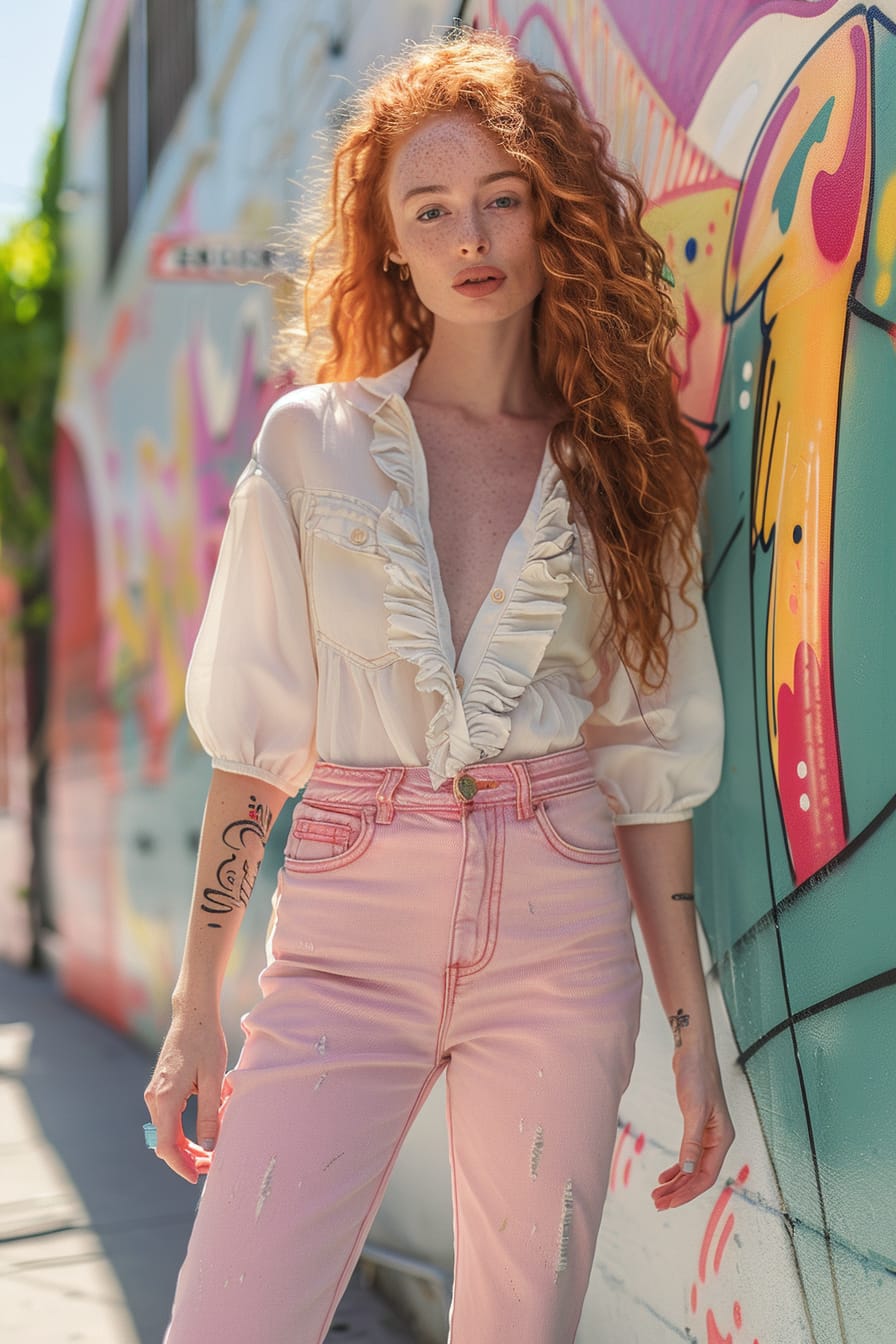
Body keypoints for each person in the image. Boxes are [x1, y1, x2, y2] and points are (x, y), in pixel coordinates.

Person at [144, 28, 733, 1344]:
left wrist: (690, 1026)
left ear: (549, 217)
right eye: (431, 209)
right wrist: (198, 1004)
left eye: (501, 198)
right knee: (232, 1320)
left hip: (562, 930)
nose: (473, 236)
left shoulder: (627, 469)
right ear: (389, 247)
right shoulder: (316, 443)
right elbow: (256, 746)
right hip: (350, 928)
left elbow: (649, 768)